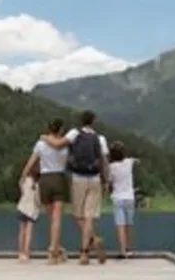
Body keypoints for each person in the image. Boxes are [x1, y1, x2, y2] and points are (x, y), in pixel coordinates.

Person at [41, 110, 109, 265]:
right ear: (93, 121)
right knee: (89, 216)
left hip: (78, 178)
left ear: (81, 121)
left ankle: (94, 239)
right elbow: (104, 161)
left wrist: (44, 137)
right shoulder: (100, 138)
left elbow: (57, 145)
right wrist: (106, 181)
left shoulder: (74, 133)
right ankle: (84, 254)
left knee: (78, 215)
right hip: (95, 179)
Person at [20, 118, 69, 265]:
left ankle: (56, 248)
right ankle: (54, 251)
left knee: (51, 218)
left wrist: (23, 176)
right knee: (57, 218)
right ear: (61, 129)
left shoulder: (40, 144)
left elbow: (31, 161)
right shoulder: (65, 144)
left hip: (45, 180)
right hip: (59, 178)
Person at [108, 141, 140, 259]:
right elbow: (137, 161)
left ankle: (122, 252)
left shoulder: (111, 167)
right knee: (129, 224)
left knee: (120, 225)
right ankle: (129, 249)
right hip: (130, 198)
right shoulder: (128, 162)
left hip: (117, 198)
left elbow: (110, 183)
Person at [16, 161, 40, 262]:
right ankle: (27, 253)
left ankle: (20, 252)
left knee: (22, 231)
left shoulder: (25, 180)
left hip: (22, 207)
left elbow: (21, 188)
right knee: (29, 232)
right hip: (32, 210)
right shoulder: (38, 184)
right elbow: (38, 200)